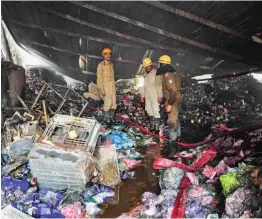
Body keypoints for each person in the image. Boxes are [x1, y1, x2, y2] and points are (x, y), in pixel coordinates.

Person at [156, 55, 182, 143]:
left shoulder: (168, 75)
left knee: (171, 121)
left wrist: (170, 104)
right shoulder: (173, 73)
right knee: (176, 118)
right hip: (176, 98)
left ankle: (173, 144)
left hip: (173, 99)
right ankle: (178, 138)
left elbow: (173, 91)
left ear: (162, 64)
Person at [141, 58, 163, 131]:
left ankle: (157, 128)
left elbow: (159, 85)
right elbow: (144, 86)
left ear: (151, 65)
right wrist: (142, 95)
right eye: (146, 66)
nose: (147, 67)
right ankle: (152, 126)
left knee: (155, 111)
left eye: (148, 66)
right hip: (147, 96)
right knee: (149, 111)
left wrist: (160, 96)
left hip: (155, 96)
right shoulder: (145, 75)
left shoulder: (156, 73)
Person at [97, 48, 116, 123]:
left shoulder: (111, 64)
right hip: (106, 87)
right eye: (106, 54)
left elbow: (112, 77)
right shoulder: (101, 65)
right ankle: (106, 120)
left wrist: (114, 88)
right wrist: (101, 89)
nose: (108, 55)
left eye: (109, 54)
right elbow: (99, 78)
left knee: (113, 103)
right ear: (103, 55)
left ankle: (111, 119)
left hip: (112, 87)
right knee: (107, 103)